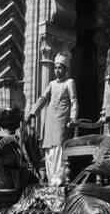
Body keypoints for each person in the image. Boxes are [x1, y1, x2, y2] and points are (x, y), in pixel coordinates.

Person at [26, 53, 78, 186]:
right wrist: (33, 113)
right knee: (49, 149)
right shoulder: (52, 84)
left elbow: (74, 100)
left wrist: (73, 117)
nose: (57, 70)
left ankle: (59, 180)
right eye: (55, 68)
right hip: (50, 119)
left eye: (60, 68)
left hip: (62, 119)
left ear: (65, 69)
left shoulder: (69, 82)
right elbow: (43, 98)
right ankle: (51, 180)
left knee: (59, 148)